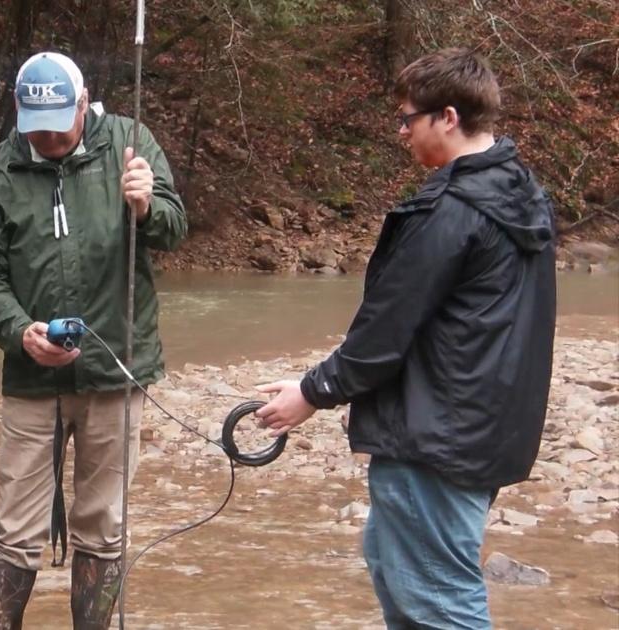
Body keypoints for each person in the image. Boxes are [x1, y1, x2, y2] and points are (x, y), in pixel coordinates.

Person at [255, 49, 556, 629]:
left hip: (437, 436)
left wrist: (311, 393)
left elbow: (384, 334)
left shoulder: (451, 211)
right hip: (482, 427)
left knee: (441, 601)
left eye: (407, 118)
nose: (401, 132)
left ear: (447, 116)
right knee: (396, 568)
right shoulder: (521, 191)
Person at [0, 52, 187, 629]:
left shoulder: (131, 142)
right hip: (33, 377)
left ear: (84, 103)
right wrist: (19, 332)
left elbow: (174, 228)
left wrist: (146, 204)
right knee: (13, 529)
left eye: (61, 125)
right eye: (37, 129)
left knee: (104, 524)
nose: (51, 139)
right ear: (18, 112)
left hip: (117, 371)